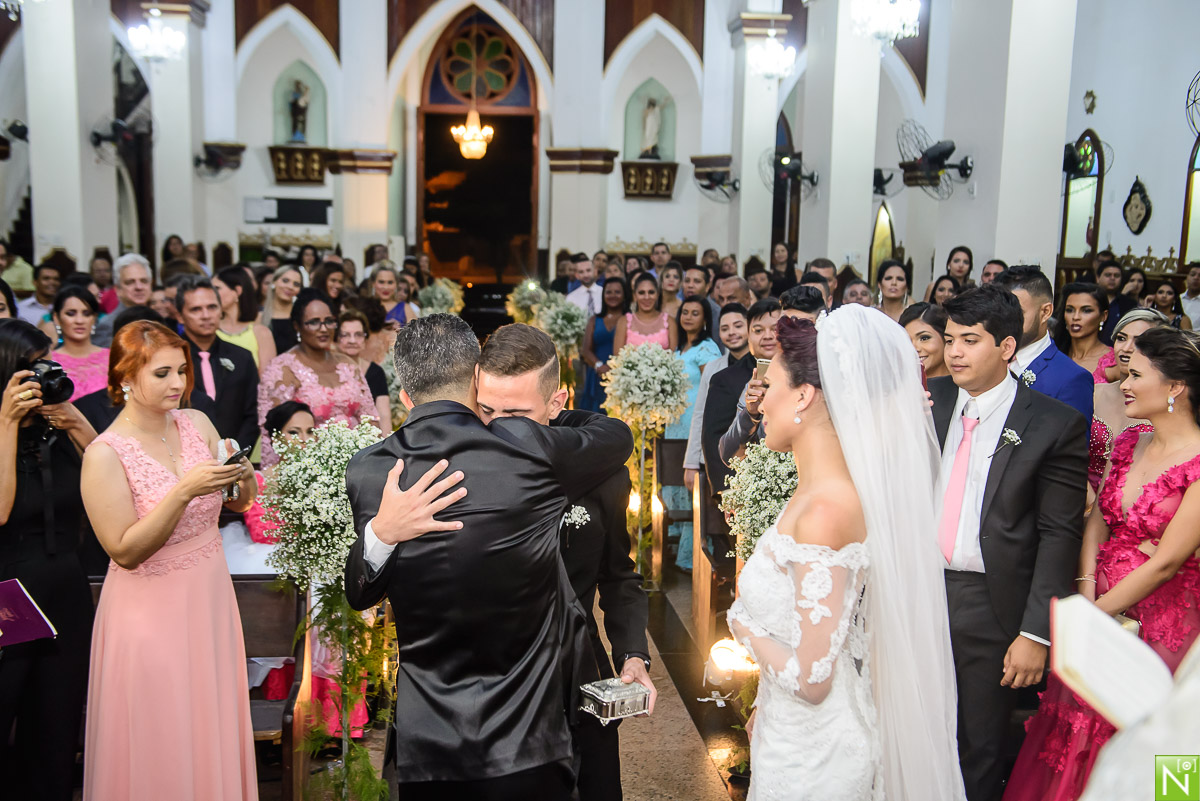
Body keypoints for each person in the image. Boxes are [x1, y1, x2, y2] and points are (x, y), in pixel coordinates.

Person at [343, 314, 633, 801]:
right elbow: (616, 437)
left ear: (405, 395)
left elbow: (360, 593)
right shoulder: (530, 447)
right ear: (475, 379)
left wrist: (381, 534)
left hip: (427, 735)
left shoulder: (372, 470)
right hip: (530, 731)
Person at [728, 306, 966, 801]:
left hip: (817, 760)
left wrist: (743, 627)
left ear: (804, 395)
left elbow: (814, 678)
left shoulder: (825, 510)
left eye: (768, 386)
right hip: (793, 734)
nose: (759, 403)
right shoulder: (817, 489)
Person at [1004, 326, 1200, 801]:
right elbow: (1096, 521)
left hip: (1164, 623)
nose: (1123, 385)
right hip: (1097, 602)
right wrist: (1087, 588)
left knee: (1165, 739)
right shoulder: (1132, 440)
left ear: (1175, 387)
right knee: (1071, 728)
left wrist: (1096, 614)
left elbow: (1167, 561)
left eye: (1135, 375)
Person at [80, 320, 259, 800]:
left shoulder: (196, 423)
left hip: (208, 598)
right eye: (161, 374)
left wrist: (242, 476)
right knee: (161, 726)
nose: (178, 384)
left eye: (181, 371)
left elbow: (239, 503)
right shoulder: (104, 454)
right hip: (148, 609)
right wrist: (181, 492)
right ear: (124, 378)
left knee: (208, 718)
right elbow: (124, 549)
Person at [476, 324, 653, 801]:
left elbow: (618, 575)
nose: (496, 428)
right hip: (489, 676)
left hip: (576, 669)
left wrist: (633, 653)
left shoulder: (600, 474)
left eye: (515, 414)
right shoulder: (466, 465)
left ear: (557, 403)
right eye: (485, 410)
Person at [931, 286, 1088, 801]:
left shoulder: (1052, 422)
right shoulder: (930, 405)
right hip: (923, 592)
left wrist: (1035, 633)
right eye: (950, 339)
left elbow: (1058, 533)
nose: (954, 352)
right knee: (918, 731)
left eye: (969, 341)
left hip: (991, 604)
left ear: (1005, 347)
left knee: (978, 744)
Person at [0, 319, 97, 801]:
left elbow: (117, 484)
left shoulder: (56, 430)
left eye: (47, 360)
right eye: (30, 366)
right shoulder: (3, 428)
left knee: (57, 726)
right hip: (9, 592)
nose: (41, 374)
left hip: (65, 588)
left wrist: (75, 420)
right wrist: (5, 422)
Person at [258, 288, 379, 465]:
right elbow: (272, 434)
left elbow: (371, 419)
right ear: (297, 326)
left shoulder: (348, 364)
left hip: (358, 463)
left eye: (329, 321)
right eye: (314, 322)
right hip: (309, 469)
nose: (323, 329)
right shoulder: (282, 369)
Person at [716, 286, 825, 465]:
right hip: (771, 484)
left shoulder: (836, 376)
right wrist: (750, 413)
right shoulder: (767, 375)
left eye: (802, 325)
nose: (790, 333)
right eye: (785, 325)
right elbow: (729, 456)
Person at [702, 298, 781, 497]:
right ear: (748, 334)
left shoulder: (805, 374)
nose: (768, 336)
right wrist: (726, 490)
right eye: (758, 330)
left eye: (775, 328)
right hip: (746, 487)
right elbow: (714, 438)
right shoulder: (725, 379)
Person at [664, 297, 721, 570]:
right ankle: (679, 551)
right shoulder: (680, 348)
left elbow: (710, 388)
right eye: (685, 312)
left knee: (691, 489)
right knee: (675, 485)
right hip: (675, 422)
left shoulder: (706, 348)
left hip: (691, 423)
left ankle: (693, 556)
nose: (688, 317)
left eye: (695, 313)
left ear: (705, 319)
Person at [993, 266, 1094, 420]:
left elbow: (1072, 443)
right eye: (999, 312)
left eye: (1017, 312)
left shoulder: (1070, 379)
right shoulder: (986, 357)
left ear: (1045, 312)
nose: (1005, 320)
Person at [1087, 308, 1169, 492]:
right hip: (1080, 496)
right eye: (1121, 338)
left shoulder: (1163, 404)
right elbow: (1068, 454)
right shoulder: (1093, 393)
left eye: (1139, 342)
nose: (1126, 348)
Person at [175, 276, 260, 452]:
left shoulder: (242, 357)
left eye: (212, 307)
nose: (206, 315)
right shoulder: (172, 361)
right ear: (180, 316)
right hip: (184, 458)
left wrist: (236, 457)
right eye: (196, 309)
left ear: (221, 310)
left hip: (236, 459)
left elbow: (253, 414)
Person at [683, 304, 749, 498]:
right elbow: (700, 415)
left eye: (738, 326)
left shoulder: (762, 364)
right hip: (716, 458)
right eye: (725, 328)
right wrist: (691, 463)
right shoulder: (713, 368)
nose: (732, 333)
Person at [213, 267, 277, 372]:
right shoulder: (210, 329)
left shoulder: (261, 333)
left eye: (217, 288)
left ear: (237, 291)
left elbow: (267, 381)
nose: (212, 294)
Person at [50, 286, 109, 401]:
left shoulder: (112, 358)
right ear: (56, 318)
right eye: (71, 313)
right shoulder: (49, 362)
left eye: (86, 314)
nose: (79, 321)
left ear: (94, 318)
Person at [579, 277, 628, 414]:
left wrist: (614, 368)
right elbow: (586, 350)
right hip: (597, 373)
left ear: (624, 295)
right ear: (603, 294)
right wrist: (599, 365)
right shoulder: (595, 320)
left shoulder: (629, 319)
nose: (613, 295)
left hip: (622, 375)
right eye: (609, 292)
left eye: (617, 292)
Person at [336, 308, 391, 427]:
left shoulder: (376, 372)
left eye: (358, 335)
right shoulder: (328, 370)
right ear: (336, 338)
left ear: (365, 339)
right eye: (345, 335)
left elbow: (384, 416)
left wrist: (386, 443)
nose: (352, 340)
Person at [1053, 282, 1112, 381]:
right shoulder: (1052, 354)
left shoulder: (1113, 363)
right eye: (1069, 310)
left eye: (1086, 310)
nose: (1075, 317)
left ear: (1103, 316)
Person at [93, 254, 153, 347]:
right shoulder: (107, 325)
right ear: (118, 289)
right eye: (130, 282)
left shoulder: (157, 320)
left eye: (144, 281)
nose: (139, 287)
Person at [613, 272, 677, 352]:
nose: (646, 297)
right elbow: (617, 358)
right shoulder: (623, 321)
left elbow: (674, 357)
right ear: (635, 296)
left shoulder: (669, 322)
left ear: (657, 294)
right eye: (641, 293)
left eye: (651, 292)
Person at [260, 264, 304, 355]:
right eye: (285, 281)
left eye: (296, 284)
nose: (290, 287)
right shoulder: (259, 317)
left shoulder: (302, 318)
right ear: (274, 283)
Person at [900, 302, 950, 379]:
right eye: (907, 340)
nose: (914, 349)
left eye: (924, 338)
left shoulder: (968, 387)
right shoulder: (894, 388)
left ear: (946, 338)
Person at [1095, 261, 1138, 345]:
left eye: (1116, 276)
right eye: (1108, 275)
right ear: (1098, 278)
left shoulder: (1129, 304)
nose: (1112, 278)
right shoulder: (1089, 300)